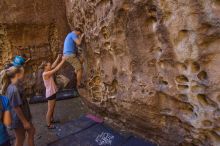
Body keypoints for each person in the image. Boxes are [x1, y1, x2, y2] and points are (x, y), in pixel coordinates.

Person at [2, 66, 35, 146]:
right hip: (18, 119)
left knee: (30, 132)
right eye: (23, 73)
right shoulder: (13, 89)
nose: (24, 75)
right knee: (21, 138)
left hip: (20, 117)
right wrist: (25, 122)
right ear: (17, 75)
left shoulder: (14, 85)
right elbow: (16, 107)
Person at [40, 55, 65, 129]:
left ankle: (52, 119)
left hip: (52, 92)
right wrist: (63, 60)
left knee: (52, 107)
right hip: (50, 94)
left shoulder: (47, 71)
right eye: (49, 65)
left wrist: (58, 57)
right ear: (45, 67)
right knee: (50, 109)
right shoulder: (45, 74)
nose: (50, 66)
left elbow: (53, 66)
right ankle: (48, 124)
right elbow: (56, 68)